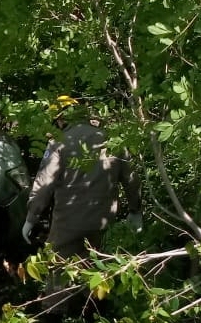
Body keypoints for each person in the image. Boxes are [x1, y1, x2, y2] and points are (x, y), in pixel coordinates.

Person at [21, 99, 142, 260]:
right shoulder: (112, 139)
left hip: (67, 225)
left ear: (61, 119)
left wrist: (31, 218)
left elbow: (44, 184)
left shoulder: (58, 143)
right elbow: (131, 179)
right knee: (99, 272)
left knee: (60, 271)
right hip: (103, 223)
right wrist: (136, 210)